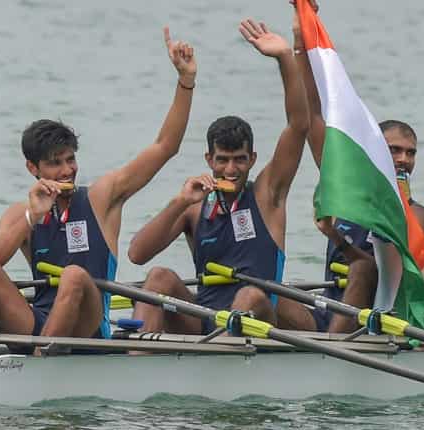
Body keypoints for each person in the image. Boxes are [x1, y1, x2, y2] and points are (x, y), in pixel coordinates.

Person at [0, 27, 198, 351]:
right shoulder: (22, 214)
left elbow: (165, 146)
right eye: (55, 163)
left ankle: (41, 363)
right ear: (34, 169)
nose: (67, 170)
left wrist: (185, 81)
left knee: (73, 274)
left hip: (89, 326)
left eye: (70, 160)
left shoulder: (102, 198)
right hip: (38, 320)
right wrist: (32, 217)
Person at [128, 18, 314, 334]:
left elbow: (298, 126)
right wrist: (179, 202)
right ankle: (138, 364)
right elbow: (136, 254)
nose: (231, 170)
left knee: (248, 294)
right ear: (209, 160)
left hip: (261, 318)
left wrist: (285, 57)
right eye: (223, 160)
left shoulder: (268, 193)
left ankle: (222, 361)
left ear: (252, 159)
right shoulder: (194, 207)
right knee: (158, 277)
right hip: (208, 321)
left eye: (240, 160)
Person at [292, 3, 424, 332]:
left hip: (374, 322)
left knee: (362, 270)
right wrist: (301, 41)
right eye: (394, 151)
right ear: (375, 152)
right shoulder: (345, 191)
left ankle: (330, 358)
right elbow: (312, 114)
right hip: (329, 308)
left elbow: (385, 273)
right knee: (256, 293)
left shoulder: (416, 214)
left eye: (410, 154)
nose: (403, 160)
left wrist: (335, 238)